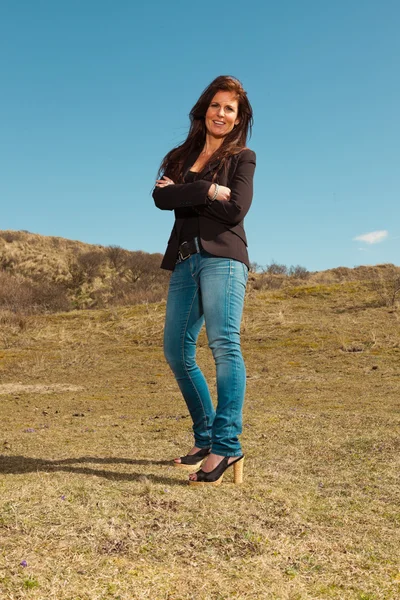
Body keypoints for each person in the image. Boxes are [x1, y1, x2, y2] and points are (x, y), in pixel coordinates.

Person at [153, 75, 256, 486]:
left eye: (229, 108)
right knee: (177, 350)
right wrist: (210, 190)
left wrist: (190, 191)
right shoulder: (181, 154)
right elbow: (161, 198)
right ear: (204, 109)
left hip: (224, 259)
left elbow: (236, 211)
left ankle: (227, 446)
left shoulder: (243, 157)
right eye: (216, 105)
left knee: (223, 344)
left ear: (237, 118)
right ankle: (205, 437)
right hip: (184, 260)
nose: (221, 113)